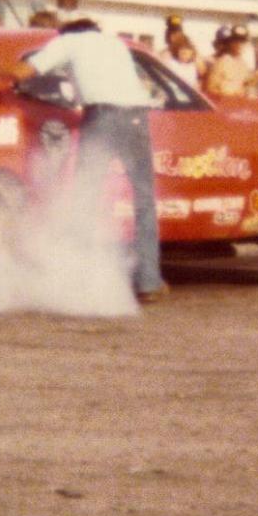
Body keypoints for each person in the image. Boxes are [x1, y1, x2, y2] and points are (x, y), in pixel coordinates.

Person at [25, 18, 167, 303]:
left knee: (86, 197)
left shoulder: (68, 41)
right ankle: (149, 282)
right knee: (144, 201)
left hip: (102, 117)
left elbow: (25, 71)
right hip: (136, 117)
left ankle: (78, 277)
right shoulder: (116, 44)